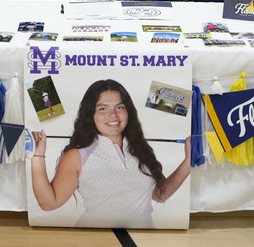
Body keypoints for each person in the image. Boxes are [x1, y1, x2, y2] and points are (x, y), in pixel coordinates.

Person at [30, 79, 191, 228]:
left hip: (144, 241)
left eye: (120, 107)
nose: (113, 115)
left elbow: (159, 195)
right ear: (90, 114)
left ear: (128, 111)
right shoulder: (76, 156)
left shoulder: (140, 148)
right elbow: (49, 203)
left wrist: (188, 161)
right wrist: (38, 156)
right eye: (102, 108)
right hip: (95, 244)